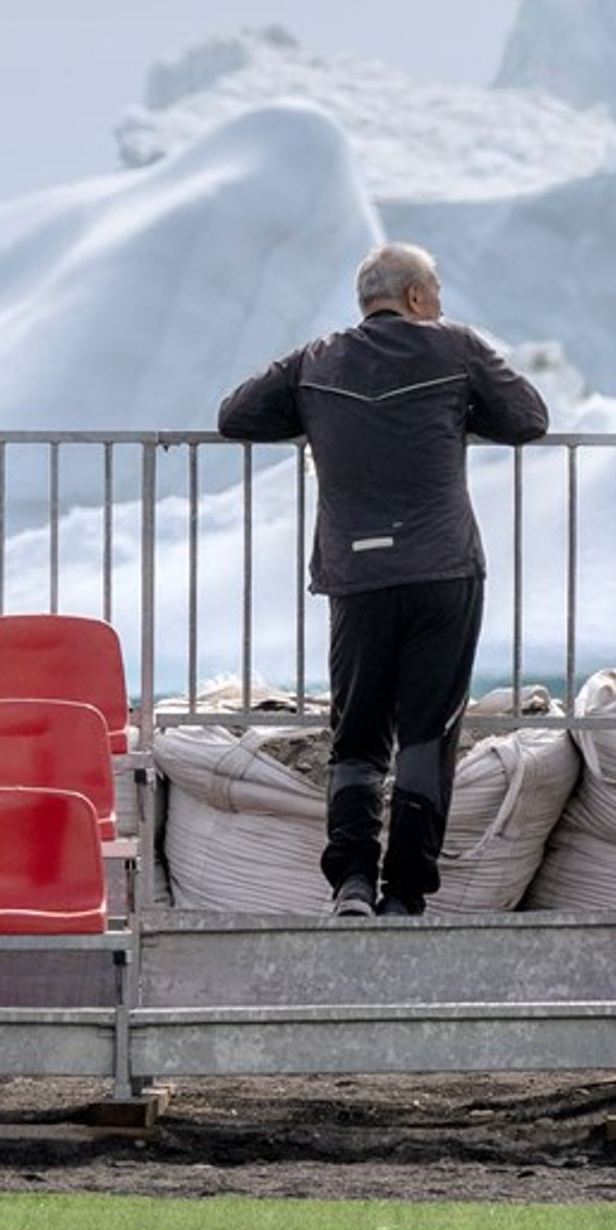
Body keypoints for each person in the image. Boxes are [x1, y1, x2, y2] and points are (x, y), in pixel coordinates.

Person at [217, 242, 549, 918]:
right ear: (420, 298)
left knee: (359, 730)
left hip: (358, 573)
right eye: (438, 293)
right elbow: (528, 418)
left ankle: (351, 882)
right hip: (443, 570)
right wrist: (460, 412)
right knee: (428, 731)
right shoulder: (453, 347)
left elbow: (235, 415)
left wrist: (316, 418)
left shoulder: (316, 359)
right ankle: (404, 892)